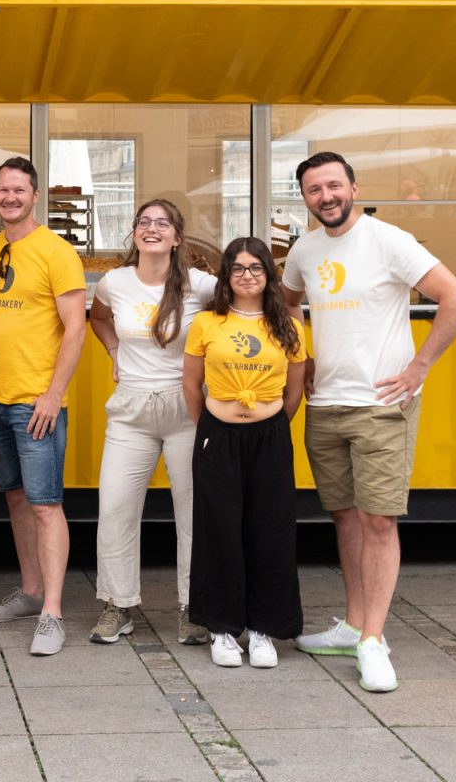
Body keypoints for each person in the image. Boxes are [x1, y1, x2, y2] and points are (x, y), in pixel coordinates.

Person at [283, 151, 456, 693]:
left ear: (353, 186)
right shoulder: (304, 249)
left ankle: (374, 641)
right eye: (315, 189)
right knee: (344, 517)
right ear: (305, 198)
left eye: (334, 186)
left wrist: (419, 365)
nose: (326, 196)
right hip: (326, 407)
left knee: (379, 521)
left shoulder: (389, 240)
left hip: (380, 405)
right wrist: (306, 357)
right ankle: (353, 624)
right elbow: (289, 301)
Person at [0, 158, 87, 656]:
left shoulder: (57, 252)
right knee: (16, 498)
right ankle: (31, 590)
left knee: (45, 505)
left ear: (35, 196)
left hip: (37, 402)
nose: (10, 198)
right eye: (3, 190)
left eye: (19, 190)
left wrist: (54, 394)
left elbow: (76, 327)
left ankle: (53, 612)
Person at [87, 199, 215, 647]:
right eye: (144, 222)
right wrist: (113, 351)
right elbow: (98, 318)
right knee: (116, 507)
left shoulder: (200, 285)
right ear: (134, 234)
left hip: (187, 412)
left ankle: (193, 608)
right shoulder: (115, 282)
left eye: (162, 223)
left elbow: (241, 312)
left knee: (194, 513)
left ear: (177, 237)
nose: (152, 229)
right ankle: (118, 605)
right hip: (131, 412)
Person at [182, 237, 308, 669]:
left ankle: (262, 629)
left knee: (269, 532)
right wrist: (211, 428)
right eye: (238, 268)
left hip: (269, 437)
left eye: (256, 268)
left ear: (269, 275)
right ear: (226, 276)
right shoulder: (207, 323)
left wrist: (270, 427)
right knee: (219, 531)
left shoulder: (287, 325)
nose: (247, 275)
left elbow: (294, 391)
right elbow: (190, 384)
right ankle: (221, 627)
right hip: (218, 436)